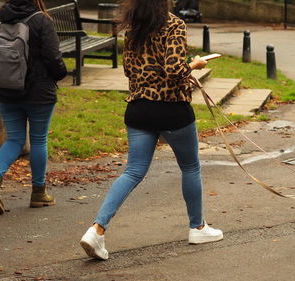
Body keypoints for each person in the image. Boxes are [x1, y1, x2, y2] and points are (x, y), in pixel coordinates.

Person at [79, 0, 223, 260]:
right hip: (171, 108)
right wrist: (195, 65)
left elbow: (127, 70)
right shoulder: (174, 24)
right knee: (190, 167)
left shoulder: (133, 25)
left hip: (138, 108)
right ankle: (198, 227)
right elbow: (175, 70)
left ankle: (96, 229)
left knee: (133, 171)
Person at [0, 0, 67, 214]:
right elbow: (53, 58)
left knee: (15, 139)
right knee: (38, 140)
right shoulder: (42, 20)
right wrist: (61, 73)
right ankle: (38, 193)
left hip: (6, 90)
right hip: (39, 93)